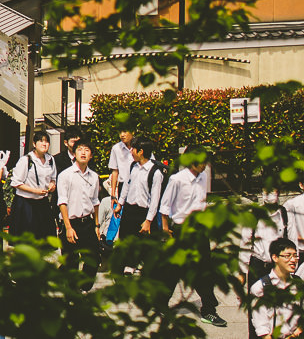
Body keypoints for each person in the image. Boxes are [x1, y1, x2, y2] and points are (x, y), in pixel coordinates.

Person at [159, 154, 224, 327]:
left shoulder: (203, 176)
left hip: (200, 230)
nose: (204, 165)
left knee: (204, 270)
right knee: (174, 270)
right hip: (181, 229)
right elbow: (165, 206)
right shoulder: (177, 179)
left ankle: (209, 310)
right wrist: (166, 230)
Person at [112, 138, 164, 272]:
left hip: (144, 212)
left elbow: (155, 199)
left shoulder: (155, 172)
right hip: (130, 210)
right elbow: (126, 187)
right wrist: (120, 204)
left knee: (146, 247)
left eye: (133, 149)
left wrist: (148, 220)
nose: (131, 152)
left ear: (141, 151)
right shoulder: (133, 167)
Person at [56, 142, 101, 276]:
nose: (83, 153)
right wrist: (68, 227)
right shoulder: (65, 175)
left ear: (91, 155)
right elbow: (62, 202)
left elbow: (95, 202)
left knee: (93, 259)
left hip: (87, 223)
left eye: (86, 150)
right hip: (70, 223)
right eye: (79, 150)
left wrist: (97, 225)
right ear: (74, 154)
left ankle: (84, 287)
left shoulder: (94, 176)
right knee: (71, 262)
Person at [249, 238, 301, 339]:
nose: (293, 260)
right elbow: (262, 330)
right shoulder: (261, 288)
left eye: (295, 255)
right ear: (275, 258)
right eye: (287, 256)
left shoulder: (299, 284)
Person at [9, 136, 57, 238]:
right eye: (41, 141)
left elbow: (53, 177)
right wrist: (35, 191)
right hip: (26, 204)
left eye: (47, 141)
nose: (44, 144)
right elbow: (16, 182)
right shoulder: (26, 160)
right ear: (34, 144)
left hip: (42, 202)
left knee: (45, 237)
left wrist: (52, 184)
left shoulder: (50, 159)